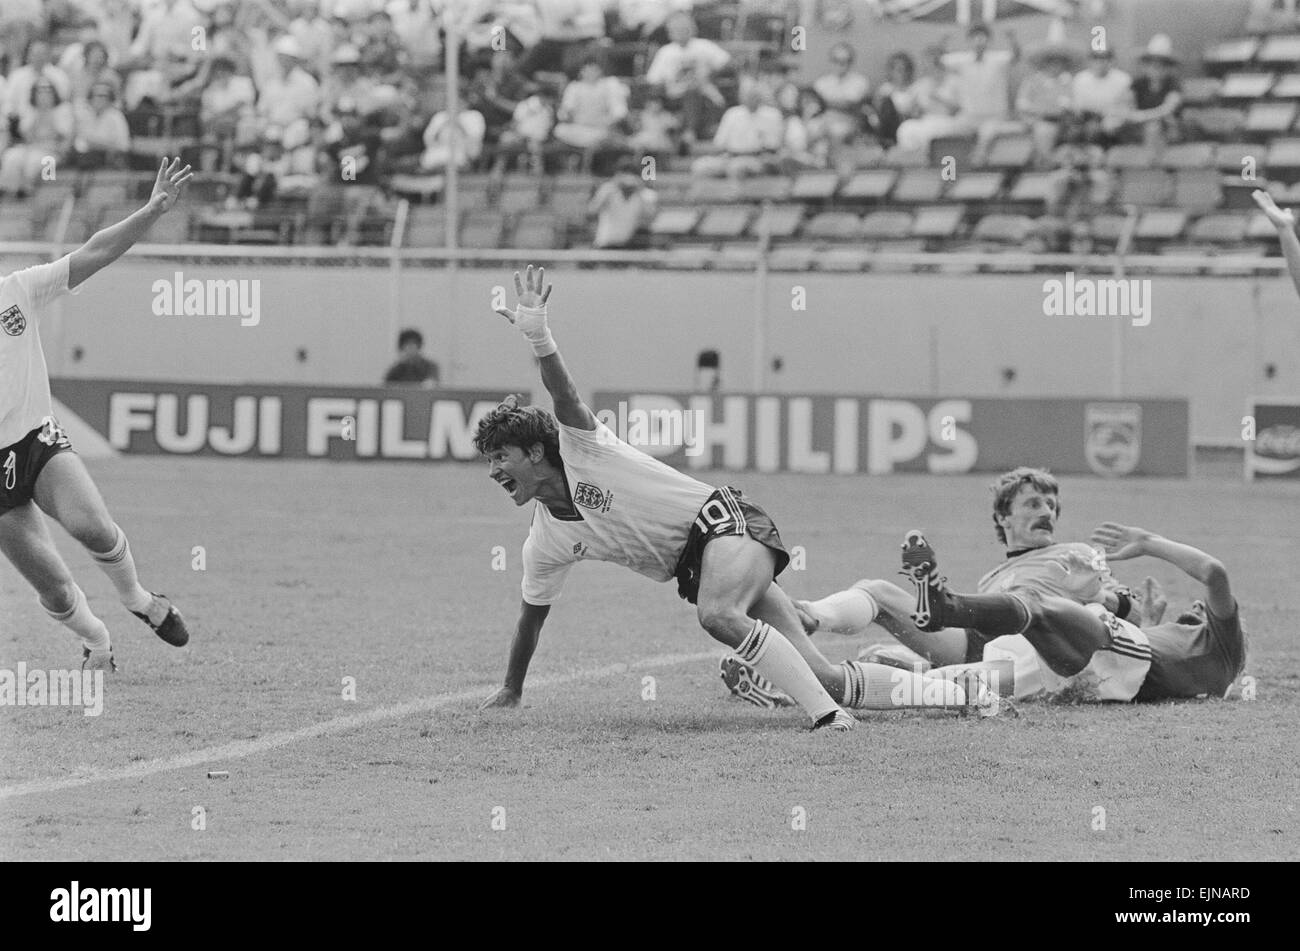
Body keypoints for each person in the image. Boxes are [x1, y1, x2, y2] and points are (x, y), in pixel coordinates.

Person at [473, 266, 998, 729]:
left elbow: (564, 396)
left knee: (719, 616)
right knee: (822, 673)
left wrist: (540, 336)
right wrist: (512, 690)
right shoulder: (545, 541)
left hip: (726, 525)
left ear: (538, 451)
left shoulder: (584, 448)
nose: (494, 470)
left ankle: (826, 717)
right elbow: (531, 617)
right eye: (490, 461)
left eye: (502, 457)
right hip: (699, 568)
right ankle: (964, 693)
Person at [0, 158, 194, 672]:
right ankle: (96, 639)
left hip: (35, 441)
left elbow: (95, 252)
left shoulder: (15, 291)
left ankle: (140, 600)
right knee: (54, 587)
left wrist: (151, 211)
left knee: (93, 528)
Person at [895, 521, 1246, 704]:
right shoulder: (1200, 657)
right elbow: (1166, 668)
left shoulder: (1225, 651)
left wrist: (1147, 543)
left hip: (1120, 663)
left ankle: (947, 606)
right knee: (997, 660)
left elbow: (1214, 572)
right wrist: (1149, 618)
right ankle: (883, 675)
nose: (1200, 606)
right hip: (1105, 678)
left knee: (1035, 605)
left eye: (1212, 611)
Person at [644, 12, 730, 144]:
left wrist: (710, 74)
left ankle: (690, 132)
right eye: (675, 29)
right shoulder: (666, 52)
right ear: (670, 32)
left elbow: (726, 63)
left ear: (691, 29)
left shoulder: (704, 46)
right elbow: (653, 80)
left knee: (693, 92)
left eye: (683, 28)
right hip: (673, 95)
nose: (680, 32)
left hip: (703, 92)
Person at [588, 158, 656, 248]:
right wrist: (612, 186)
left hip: (629, 245)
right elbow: (591, 212)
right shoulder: (608, 189)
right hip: (605, 243)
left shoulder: (642, 195)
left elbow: (650, 218)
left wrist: (639, 189)